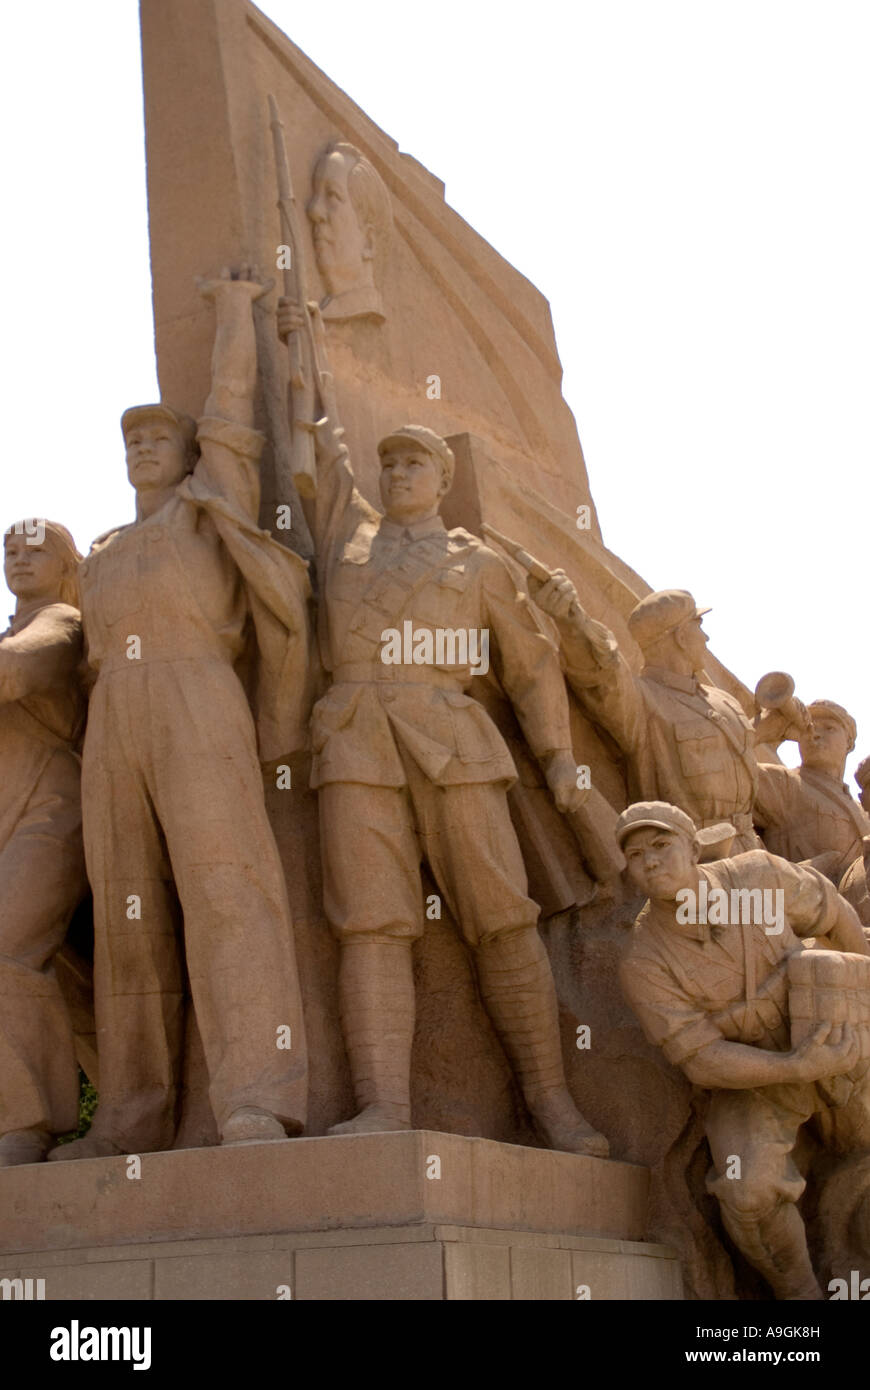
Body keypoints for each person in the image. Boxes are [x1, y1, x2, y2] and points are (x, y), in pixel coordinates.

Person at [51, 269, 311, 1160]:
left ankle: (256, 1097)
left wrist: (236, 312)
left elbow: (232, 411)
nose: (141, 450)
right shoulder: (104, 549)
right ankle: (129, 1113)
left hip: (197, 693)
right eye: (130, 441)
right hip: (114, 712)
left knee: (227, 888)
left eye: (158, 437)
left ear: (188, 451)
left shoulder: (207, 511)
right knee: (128, 914)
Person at [617, 800, 869, 1299]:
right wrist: (792, 1067)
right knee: (745, 1190)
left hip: (835, 1028)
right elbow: (702, 1059)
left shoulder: (757, 877)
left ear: (693, 847)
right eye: (636, 854)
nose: (649, 861)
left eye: (662, 845)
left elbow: (832, 911)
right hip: (757, 1076)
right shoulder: (642, 959)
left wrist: (860, 978)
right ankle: (802, 1296)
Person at [533, 577, 767, 852]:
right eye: (698, 626)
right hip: (692, 857)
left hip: (751, 847)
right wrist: (572, 622)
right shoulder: (643, 701)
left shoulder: (722, 701)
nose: (706, 637)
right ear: (680, 636)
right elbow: (602, 675)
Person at [0, 521, 87, 1166]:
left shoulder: (61, 622)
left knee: (7, 953)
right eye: (9, 549)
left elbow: (15, 675)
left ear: (64, 565)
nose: (19, 558)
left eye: (35, 549)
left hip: (53, 811)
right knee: (70, 979)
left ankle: (25, 1125)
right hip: (9, 814)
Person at [755, 699, 870, 882]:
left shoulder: (863, 811)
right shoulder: (783, 783)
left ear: (849, 742)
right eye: (807, 728)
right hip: (801, 902)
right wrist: (760, 730)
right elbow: (729, 772)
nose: (815, 734)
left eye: (829, 728)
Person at [307, 141, 392, 323]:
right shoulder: (284, 254)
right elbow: (283, 254)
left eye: (332, 195)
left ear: (369, 242)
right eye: (316, 195)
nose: (314, 210)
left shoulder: (361, 318)